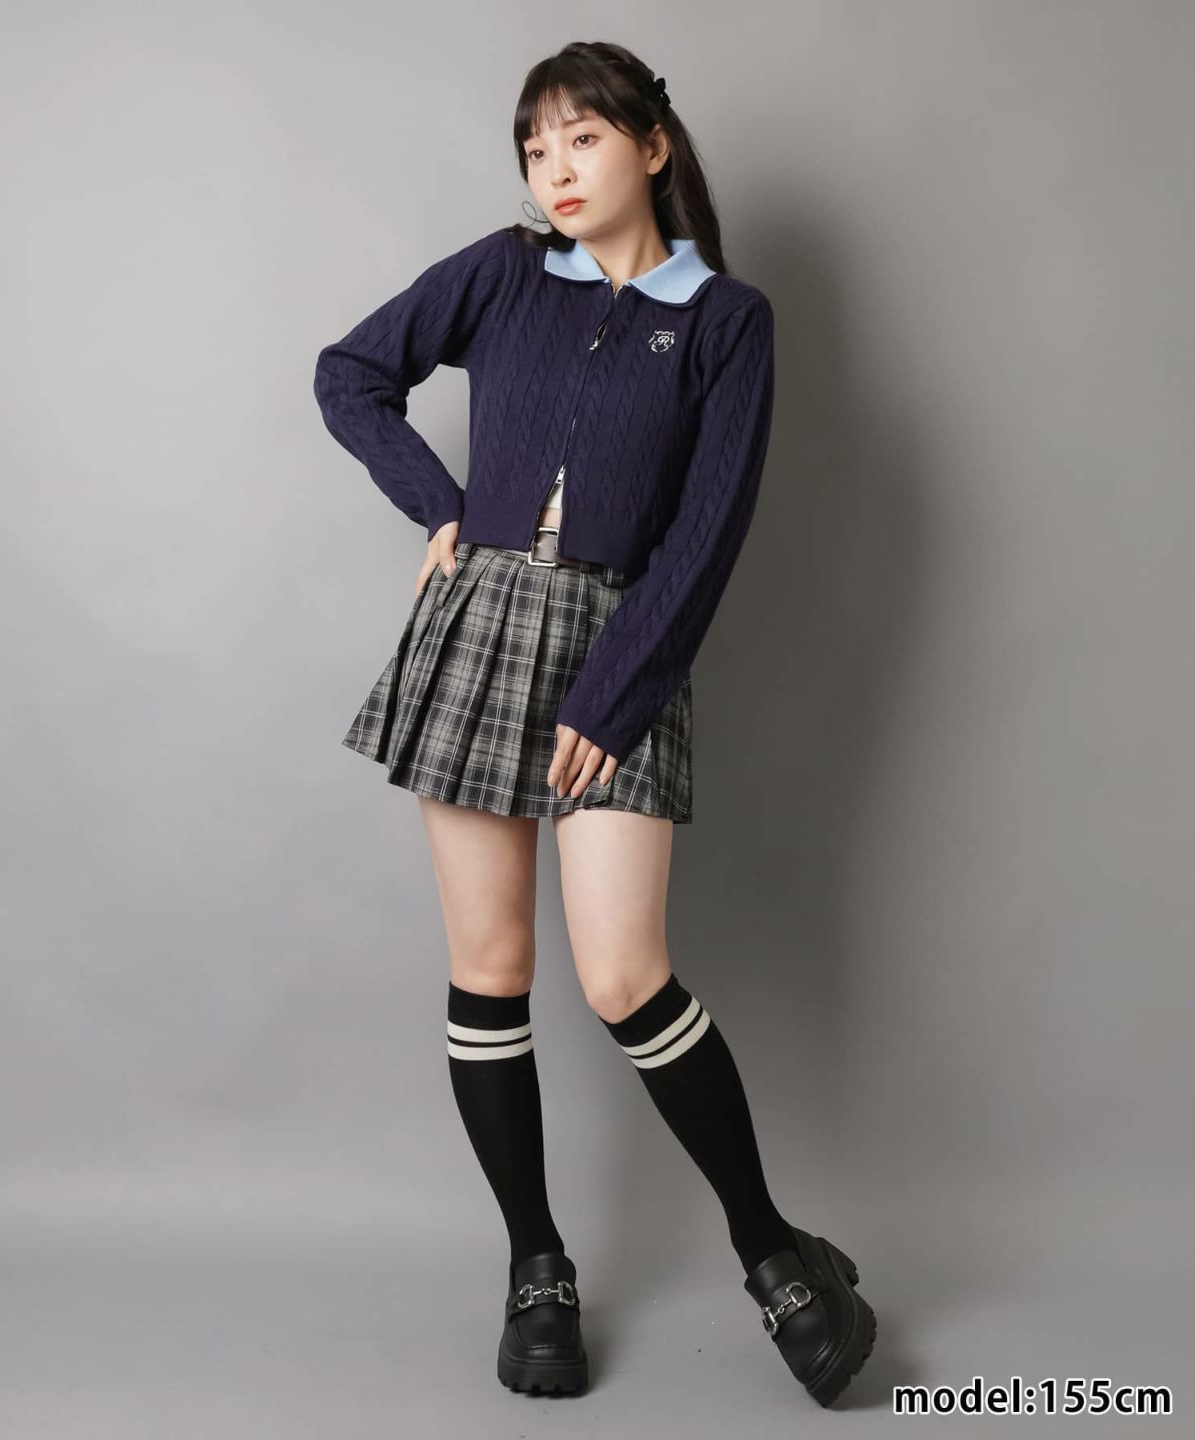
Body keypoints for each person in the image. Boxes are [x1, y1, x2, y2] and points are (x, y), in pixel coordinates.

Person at [313, 40, 876, 1407]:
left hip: (628, 644)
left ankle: (772, 1252)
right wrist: (443, 509)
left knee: (625, 975)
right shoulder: (507, 272)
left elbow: (708, 532)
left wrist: (616, 695)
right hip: (480, 631)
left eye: (580, 139)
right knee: (491, 963)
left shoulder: (727, 318)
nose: (553, 169)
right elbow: (350, 373)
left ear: (651, 147)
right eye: (535, 146)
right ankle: (537, 1266)